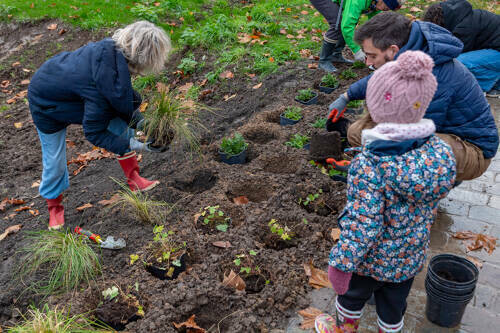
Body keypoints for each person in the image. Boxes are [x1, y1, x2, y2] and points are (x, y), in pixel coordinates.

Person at [314, 51, 456, 333]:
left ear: (377, 105)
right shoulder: (440, 153)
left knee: (351, 298)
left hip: (370, 261)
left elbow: (363, 224)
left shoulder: (370, 166)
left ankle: (344, 328)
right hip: (408, 259)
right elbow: (404, 169)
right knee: (393, 308)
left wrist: (341, 263)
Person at [28, 21, 171, 230]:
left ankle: (134, 179)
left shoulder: (113, 54)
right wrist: (141, 146)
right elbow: (94, 132)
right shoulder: (99, 84)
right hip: (46, 103)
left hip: (74, 91)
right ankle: (54, 208)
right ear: (142, 58)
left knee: (119, 125)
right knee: (54, 161)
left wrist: (144, 124)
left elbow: (119, 95)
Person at [327, 11, 499, 181]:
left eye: (372, 56)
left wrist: (364, 168)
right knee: (357, 133)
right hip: (440, 132)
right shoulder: (412, 50)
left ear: (393, 50)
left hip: (472, 149)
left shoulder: (431, 78)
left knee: (404, 157)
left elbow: (413, 141)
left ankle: (423, 191)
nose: (368, 62)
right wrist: (346, 96)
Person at [423, 0, 500, 97]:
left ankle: (485, 86)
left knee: (458, 64)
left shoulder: (463, 28)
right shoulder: (461, 17)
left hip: (497, 52)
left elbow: (450, 56)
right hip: (495, 49)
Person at [310, 0, 407, 72]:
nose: (384, 10)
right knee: (338, 23)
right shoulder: (359, 1)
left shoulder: (376, 3)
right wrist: (357, 50)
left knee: (347, 21)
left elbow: (375, 24)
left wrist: (380, 43)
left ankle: (336, 55)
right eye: (385, 8)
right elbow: (347, 27)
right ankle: (324, 61)